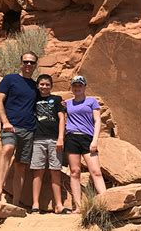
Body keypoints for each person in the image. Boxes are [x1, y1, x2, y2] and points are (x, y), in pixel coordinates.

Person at [0, 51, 38, 205]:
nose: (28, 65)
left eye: (32, 62)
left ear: (35, 65)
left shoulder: (34, 86)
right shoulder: (10, 79)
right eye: (26, 61)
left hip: (28, 129)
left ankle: (16, 203)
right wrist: (5, 121)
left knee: (21, 165)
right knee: (7, 149)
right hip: (10, 125)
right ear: (21, 63)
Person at [64, 75, 106, 213]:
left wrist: (95, 140)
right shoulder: (67, 103)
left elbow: (97, 121)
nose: (77, 88)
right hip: (71, 138)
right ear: (72, 87)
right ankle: (78, 206)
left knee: (96, 171)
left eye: (80, 85)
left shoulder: (91, 101)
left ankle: (105, 202)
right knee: (75, 172)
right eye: (75, 85)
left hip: (87, 138)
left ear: (84, 87)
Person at [30, 74, 70, 214]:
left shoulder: (57, 99)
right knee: (37, 171)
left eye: (47, 84)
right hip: (38, 139)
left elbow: (61, 118)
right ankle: (35, 204)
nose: (44, 87)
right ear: (37, 85)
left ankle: (59, 205)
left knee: (55, 171)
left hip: (54, 139)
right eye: (41, 84)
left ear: (51, 86)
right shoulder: (34, 99)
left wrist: (61, 138)